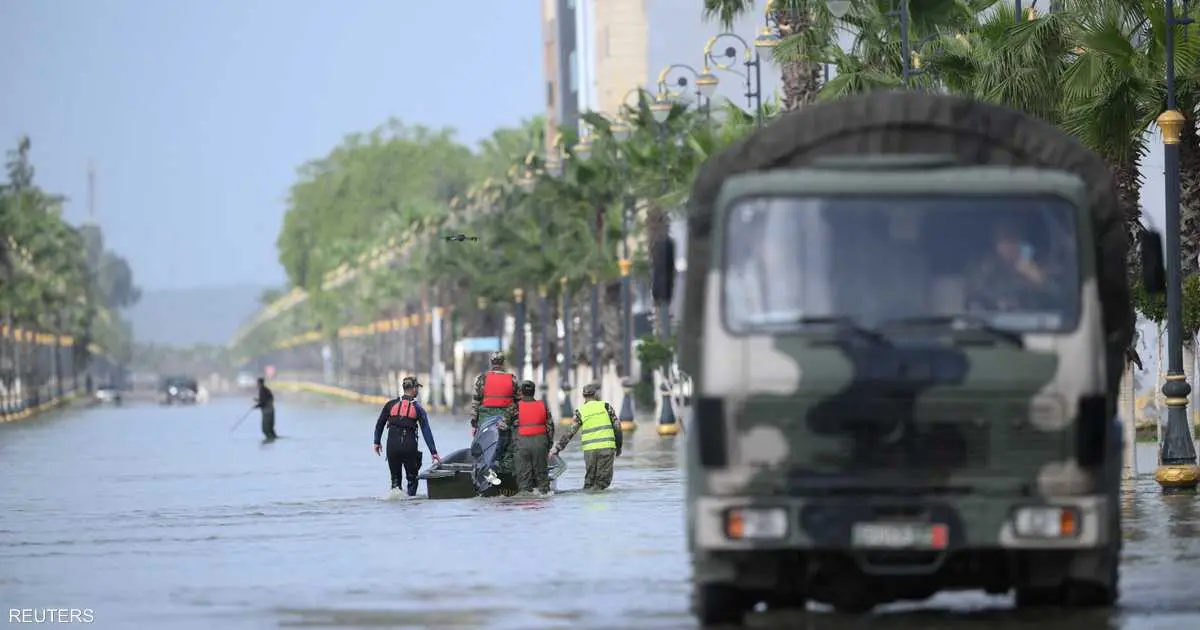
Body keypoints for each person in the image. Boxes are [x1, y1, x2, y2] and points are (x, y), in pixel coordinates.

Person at [966, 219, 1061, 312]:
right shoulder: (984, 272)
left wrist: (1040, 282)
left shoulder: (1039, 269)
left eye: (1014, 240)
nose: (1010, 246)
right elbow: (972, 301)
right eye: (1005, 240)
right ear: (996, 245)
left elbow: (1061, 302)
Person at [549, 382, 623, 491]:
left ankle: (587, 498)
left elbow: (570, 432)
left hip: (590, 450)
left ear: (583, 396)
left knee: (590, 481)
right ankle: (600, 500)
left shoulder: (580, 411)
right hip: (607, 448)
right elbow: (617, 427)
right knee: (603, 482)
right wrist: (619, 446)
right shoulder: (606, 407)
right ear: (596, 394)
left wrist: (557, 449)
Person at [374, 376, 440, 496]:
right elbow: (426, 431)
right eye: (417, 388)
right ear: (413, 389)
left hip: (392, 446)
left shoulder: (390, 405)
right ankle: (410, 503)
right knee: (412, 479)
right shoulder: (418, 409)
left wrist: (376, 442)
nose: (418, 390)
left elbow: (380, 424)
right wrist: (433, 452)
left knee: (395, 482)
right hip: (409, 446)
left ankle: (396, 503)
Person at [471, 352, 519, 484]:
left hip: (485, 418)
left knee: (482, 445)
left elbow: (475, 402)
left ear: (491, 363)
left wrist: (474, 424)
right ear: (503, 363)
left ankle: (483, 471)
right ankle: (507, 473)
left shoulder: (482, 379)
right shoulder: (512, 379)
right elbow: (518, 402)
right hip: (506, 418)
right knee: (508, 447)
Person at [513, 380, 555, 494]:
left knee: (524, 477)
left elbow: (504, 426)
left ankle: (526, 497)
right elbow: (550, 427)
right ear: (534, 392)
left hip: (522, 444)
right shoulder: (543, 406)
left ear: (521, 392)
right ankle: (544, 494)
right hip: (541, 442)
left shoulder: (515, 407)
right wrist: (549, 444)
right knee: (542, 475)